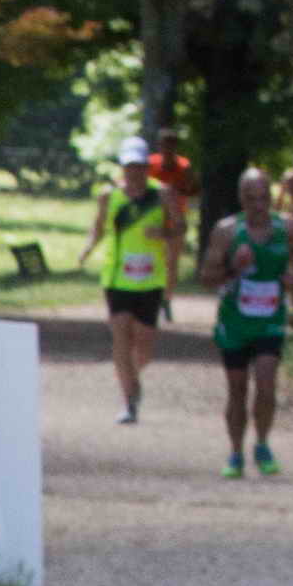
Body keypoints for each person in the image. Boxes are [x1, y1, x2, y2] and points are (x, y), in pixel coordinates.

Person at [197, 166, 293, 479]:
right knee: (237, 389)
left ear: (271, 196)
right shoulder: (226, 231)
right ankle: (236, 452)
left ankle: (263, 444)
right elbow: (206, 278)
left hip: (270, 320)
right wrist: (232, 267)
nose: (258, 205)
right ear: (241, 199)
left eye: (263, 197)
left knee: (266, 384)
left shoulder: (287, 227)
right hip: (234, 322)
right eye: (250, 198)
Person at [82, 139, 185, 425]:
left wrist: (163, 234)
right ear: (122, 167)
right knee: (120, 337)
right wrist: (87, 249)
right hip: (116, 278)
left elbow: (181, 227)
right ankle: (129, 399)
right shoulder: (109, 195)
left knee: (145, 346)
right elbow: (98, 227)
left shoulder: (162, 194)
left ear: (146, 167)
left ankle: (132, 377)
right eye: (129, 166)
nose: (134, 172)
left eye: (139, 166)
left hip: (150, 280)